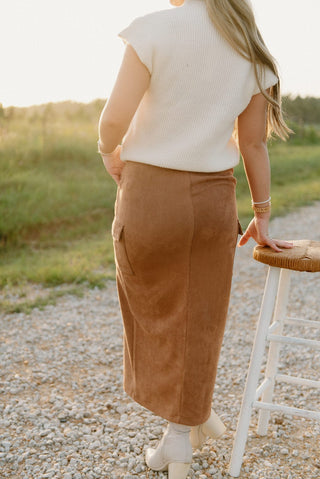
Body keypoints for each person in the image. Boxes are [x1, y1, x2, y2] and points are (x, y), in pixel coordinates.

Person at [98, 0, 293, 477]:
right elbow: (253, 143)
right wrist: (262, 215)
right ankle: (192, 421)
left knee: (152, 310)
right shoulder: (252, 48)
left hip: (149, 195)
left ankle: (179, 440)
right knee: (200, 319)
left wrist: (108, 153)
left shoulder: (153, 29)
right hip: (212, 201)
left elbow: (112, 121)